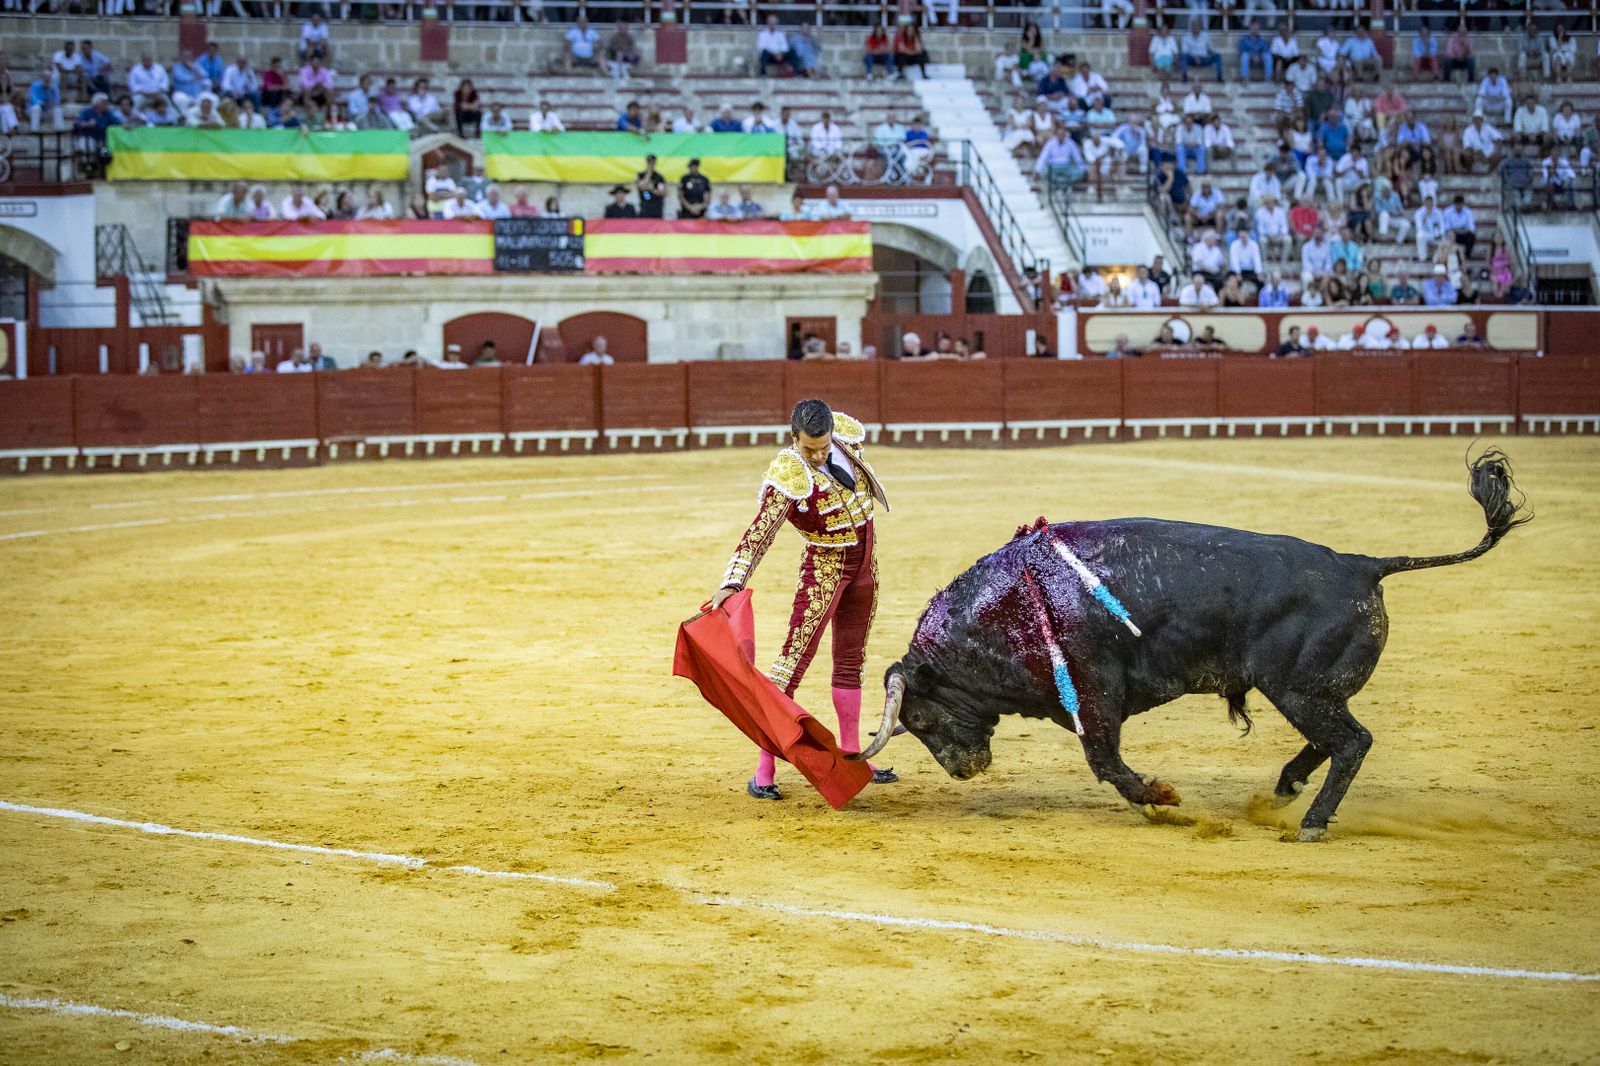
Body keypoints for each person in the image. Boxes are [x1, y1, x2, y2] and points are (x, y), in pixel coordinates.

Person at [710, 400, 897, 800]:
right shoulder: (789, 473)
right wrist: (733, 581)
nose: (817, 455)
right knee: (790, 667)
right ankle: (763, 770)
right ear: (793, 438)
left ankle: (852, 757)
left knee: (851, 660)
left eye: (822, 447)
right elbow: (760, 531)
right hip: (824, 572)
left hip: (865, 568)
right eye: (809, 448)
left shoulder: (844, 441)